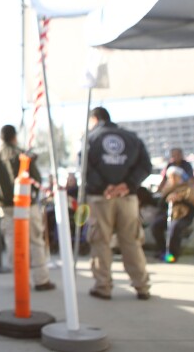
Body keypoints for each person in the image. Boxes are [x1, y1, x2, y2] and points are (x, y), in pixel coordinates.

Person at [84, 106, 152, 300]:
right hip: (127, 197)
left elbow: (84, 167)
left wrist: (105, 187)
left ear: (95, 119)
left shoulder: (91, 138)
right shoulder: (131, 137)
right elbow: (146, 166)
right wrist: (126, 185)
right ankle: (142, 286)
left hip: (100, 197)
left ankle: (103, 286)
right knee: (131, 241)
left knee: (100, 241)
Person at [0, 125, 56, 291]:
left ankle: (19, 279)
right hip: (26, 205)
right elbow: (36, 179)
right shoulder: (22, 155)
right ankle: (41, 279)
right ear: (14, 137)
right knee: (35, 241)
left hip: (5, 207)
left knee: (12, 242)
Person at [150, 166, 194, 261]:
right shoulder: (168, 189)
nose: (172, 179)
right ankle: (162, 250)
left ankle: (173, 253)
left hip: (183, 216)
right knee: (156, 226)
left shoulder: (188, 189)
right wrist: (167, 198)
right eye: (170, 177)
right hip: (169, 215)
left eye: (174, 177)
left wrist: (180, 199)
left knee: (175, 228)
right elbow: (161, 205)